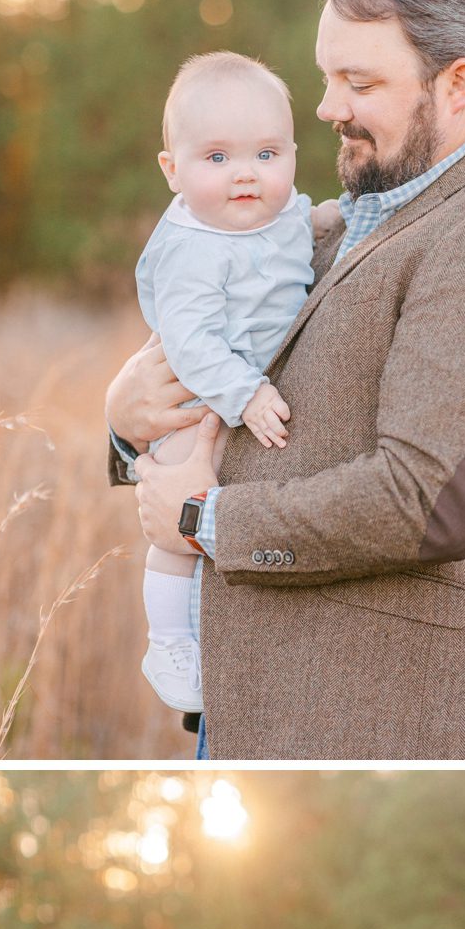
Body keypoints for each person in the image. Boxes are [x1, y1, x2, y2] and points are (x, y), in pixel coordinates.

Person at [113, 0, 465, 760]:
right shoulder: (333, 219)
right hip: (250, 709)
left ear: (458, 84)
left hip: (368, 720)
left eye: (359, 82)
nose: (328, 107)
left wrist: (205, 520)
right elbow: (214, 357)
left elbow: (427, 499)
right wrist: (125, 424)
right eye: (327, 76)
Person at [127, 55, 323, 715]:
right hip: (201, 400)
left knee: (214, 529)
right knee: (178, 523)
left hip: (247, 392)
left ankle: (205, 635)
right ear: (172, 169)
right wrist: (245, 393)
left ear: (292, 155)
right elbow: (191, 343)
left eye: (266, 153)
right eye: (216, 158)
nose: (245, 173)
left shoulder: (287, 212)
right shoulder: (193, 247)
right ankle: (168, 639)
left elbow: (309, 240)